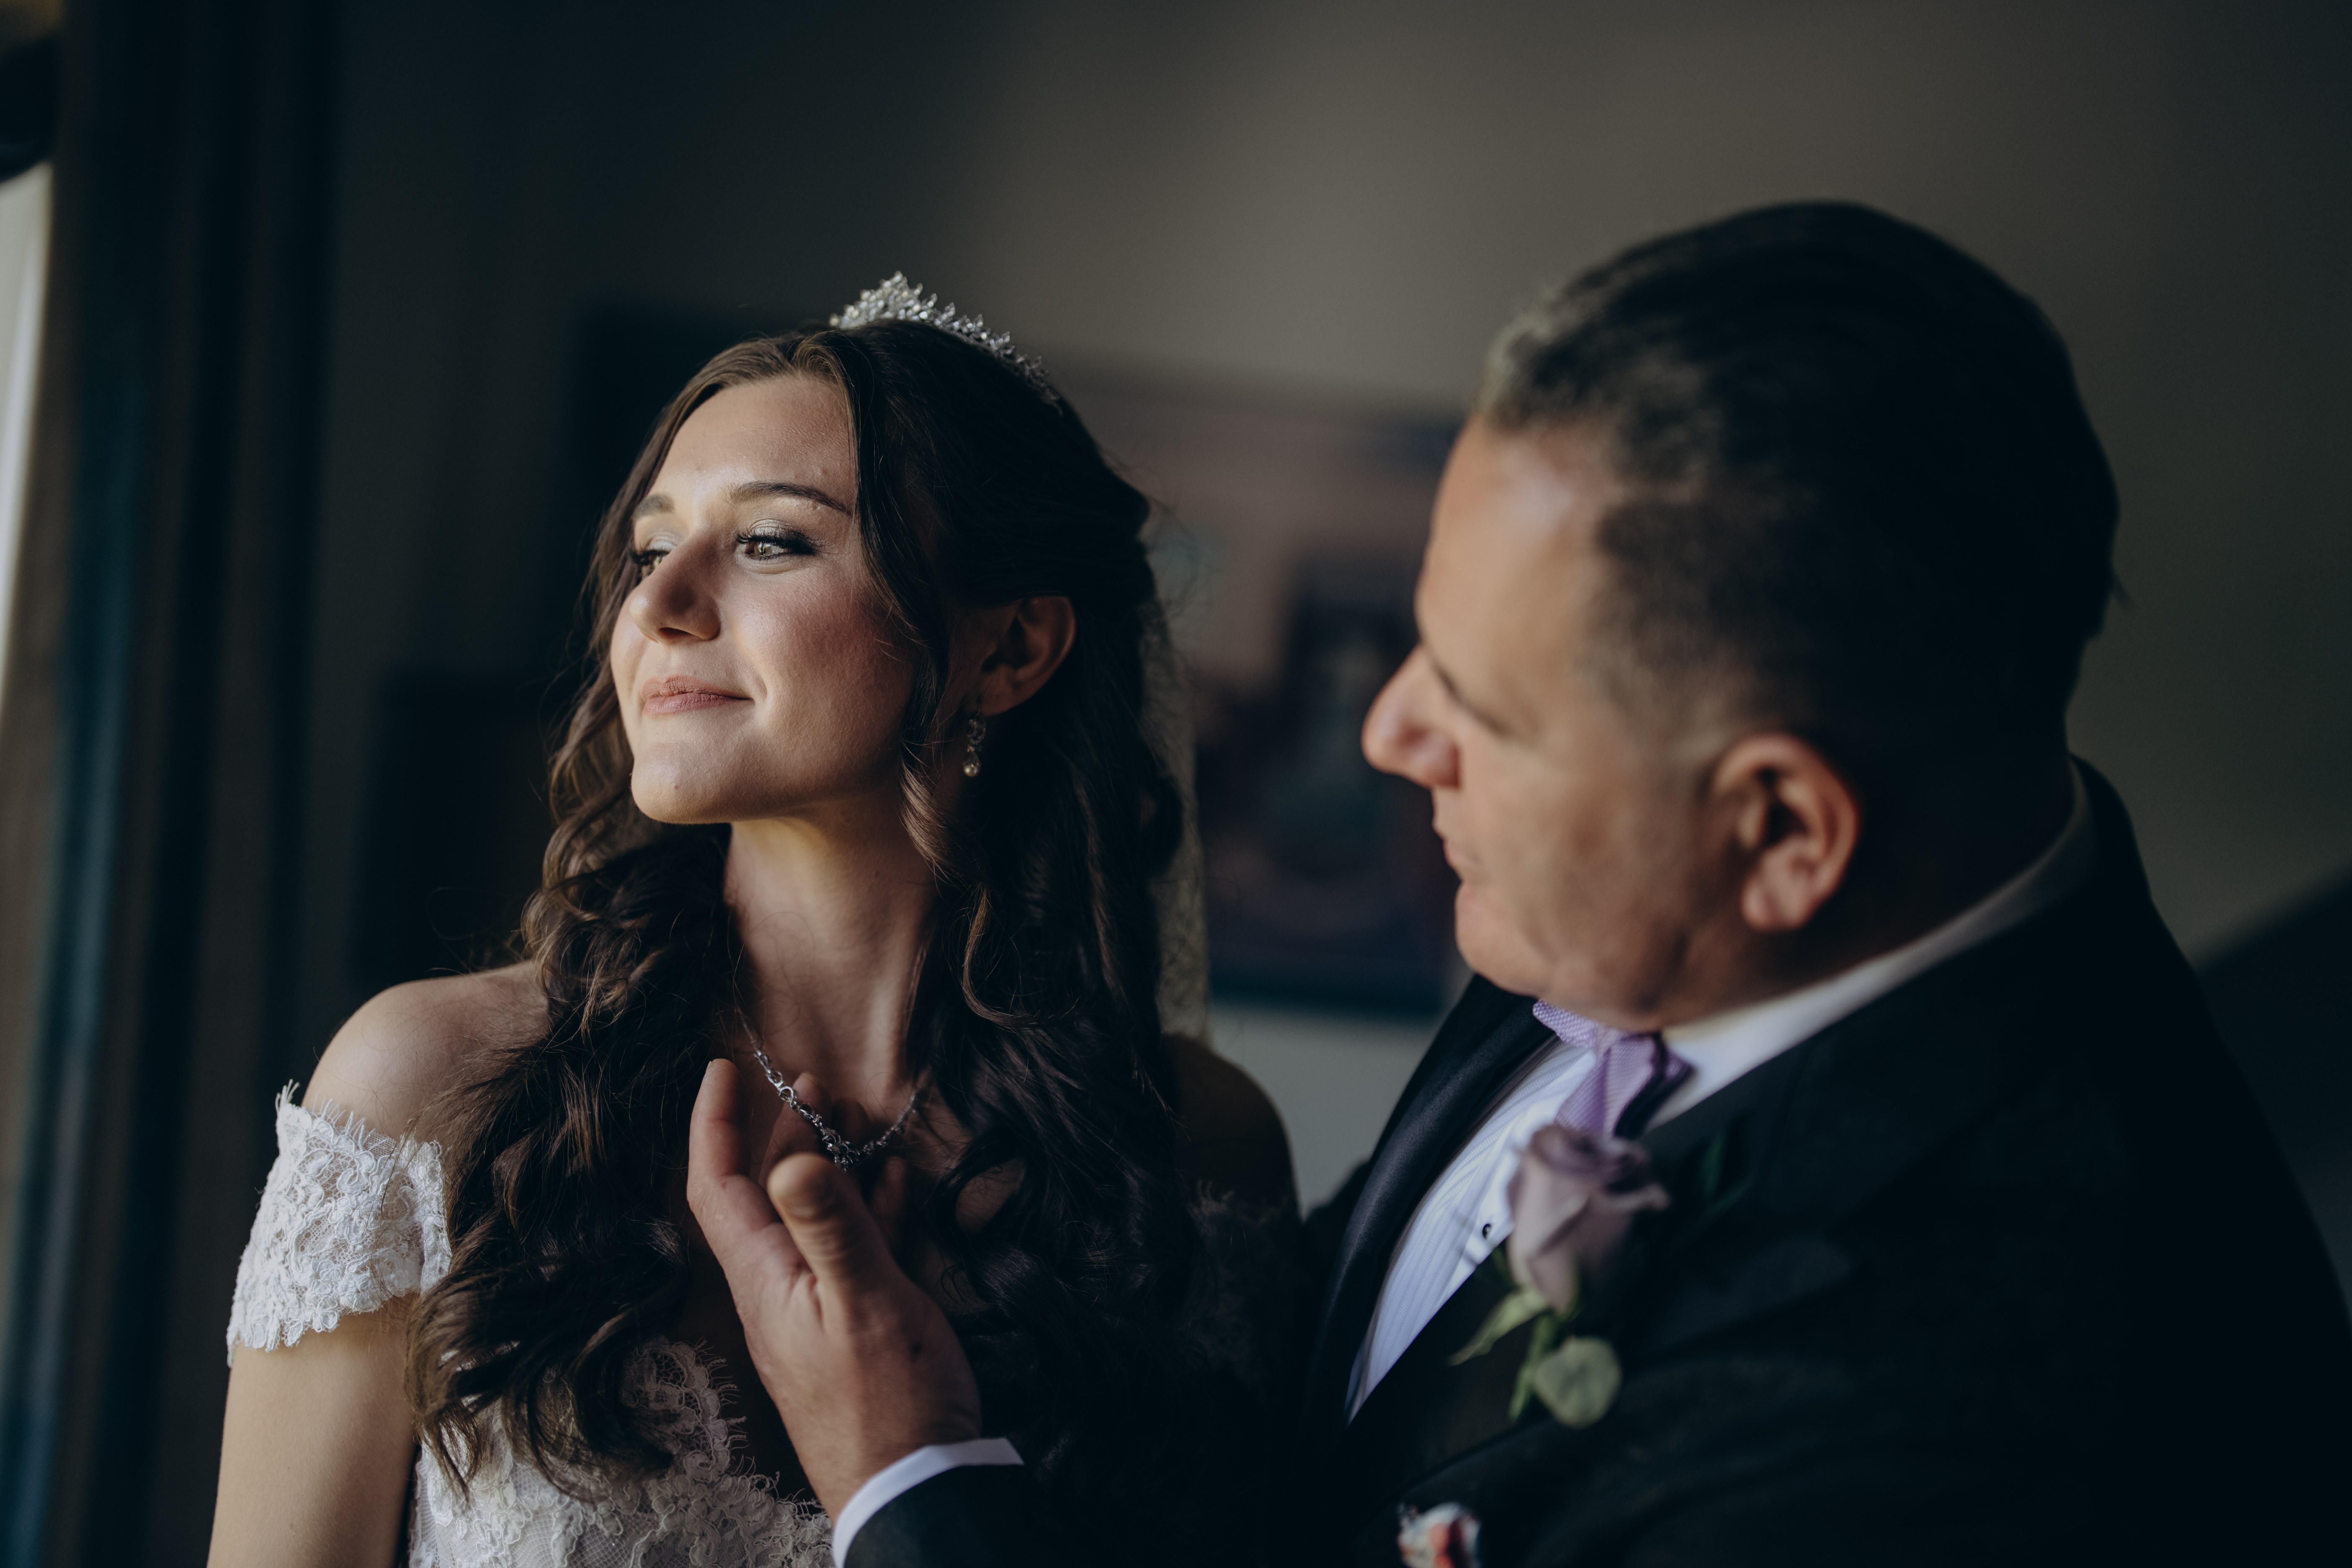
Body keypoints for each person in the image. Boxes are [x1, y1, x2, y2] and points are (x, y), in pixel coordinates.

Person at [686, 204, 2352, 1566]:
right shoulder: (1634, 910)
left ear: (1782, 833)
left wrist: (911, 1476)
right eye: (1426, 638)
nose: (1392, 732)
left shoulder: (1987, 1417)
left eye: (1483, 707)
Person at [208, 278, 1297, 1568]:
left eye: (773, 541)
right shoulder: (428, 1089)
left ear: (1011, 651)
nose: (660, 604)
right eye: (649, 549)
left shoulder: (1196, 1147)